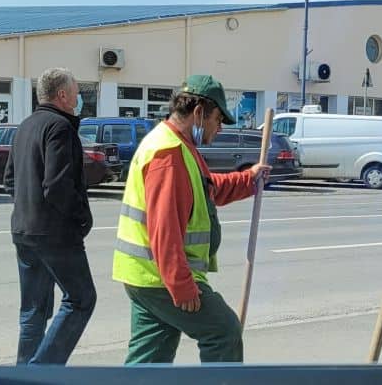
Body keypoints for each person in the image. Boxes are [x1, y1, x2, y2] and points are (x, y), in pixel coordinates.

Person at [112, 74, 270, 364]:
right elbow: (165, 229)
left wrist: (249, 179)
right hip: (159, 279)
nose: (219, 129)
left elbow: (207, 190)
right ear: (199, 112)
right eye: (217, 120)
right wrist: (182, 285)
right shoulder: (169, 155)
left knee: (150, 361)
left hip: (145, 276)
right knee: (223, 332)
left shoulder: (177, 145)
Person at [3, 67, 96, 365]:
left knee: (34, 312)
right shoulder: (60, 127)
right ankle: (42, 372)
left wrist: (28, 209)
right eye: (77, 92)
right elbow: (57, 185)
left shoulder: (26, 126)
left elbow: (9, 181)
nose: (79, 98)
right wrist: (82, 218)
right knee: (81, 299)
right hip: (55, 235)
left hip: (24, 231)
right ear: (63, 95)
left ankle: (24, 376)